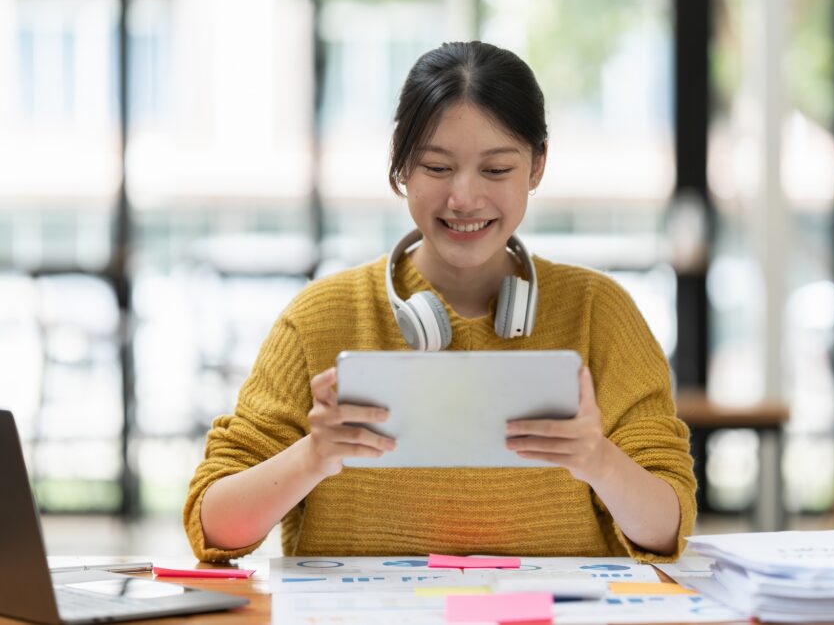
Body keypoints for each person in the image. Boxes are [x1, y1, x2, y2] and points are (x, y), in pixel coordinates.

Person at [184, 41, 697, 563]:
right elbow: (214, 524)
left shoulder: (599, 312)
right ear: (400, 166)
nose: (464, 198)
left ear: (537, 166)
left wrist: (600, 461)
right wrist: (314, 456)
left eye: (496, 170)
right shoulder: (320, 318)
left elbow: (667, 527)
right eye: (436, 167)